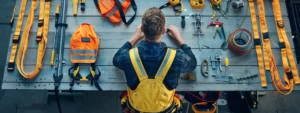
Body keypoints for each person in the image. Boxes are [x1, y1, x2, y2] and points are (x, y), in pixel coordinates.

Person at [113, 7, 197, 113]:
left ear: (142, 29)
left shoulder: (128, 57)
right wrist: (179, 39)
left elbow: (116, 59)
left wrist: (135, 36)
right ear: (163, 31)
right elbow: (193, 63)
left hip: (137, 108)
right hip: (166, 109)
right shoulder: (176, 57)